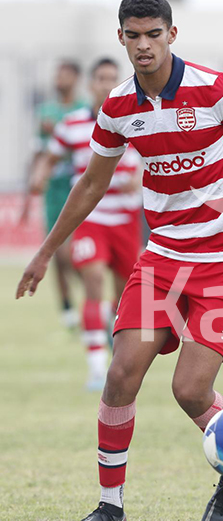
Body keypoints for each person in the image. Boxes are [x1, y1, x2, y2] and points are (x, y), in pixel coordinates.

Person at [15, 0, 223, 521]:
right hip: (162, 257)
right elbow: (90, 185)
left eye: (154, 34)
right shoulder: (119, 107)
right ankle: (110, 506)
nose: (144, 44)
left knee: (191, 392)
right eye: (134, 35)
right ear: (121, 38)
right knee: (121, 373)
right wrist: (44, 251)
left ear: (172, 35)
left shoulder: (216, 89)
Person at [32, 58, 143, 391]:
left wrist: (138, 178)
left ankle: (108, 322)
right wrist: (40, 175)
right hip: (91, 219)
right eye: (100, 78)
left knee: (125, 295)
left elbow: (152, 160)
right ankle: (97, 367)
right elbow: (50, 156)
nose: (106, 84)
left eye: (112, 78)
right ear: (91, 84)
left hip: (126, 220)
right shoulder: (73, 124)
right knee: (93, 280)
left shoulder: (135, 120)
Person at [24, 60, 87, 329]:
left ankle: (91, 300)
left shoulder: (84, 110)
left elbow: (87, 151)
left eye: (64, 74)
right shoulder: (46, 111)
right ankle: (67, 308)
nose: (58, 78)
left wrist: (61, 139)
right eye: (57, 74)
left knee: (70, 252)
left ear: (75, 78)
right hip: (53, 190)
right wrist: (33, 183)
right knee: (55, 251)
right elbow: (39, 152)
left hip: (78, 186)